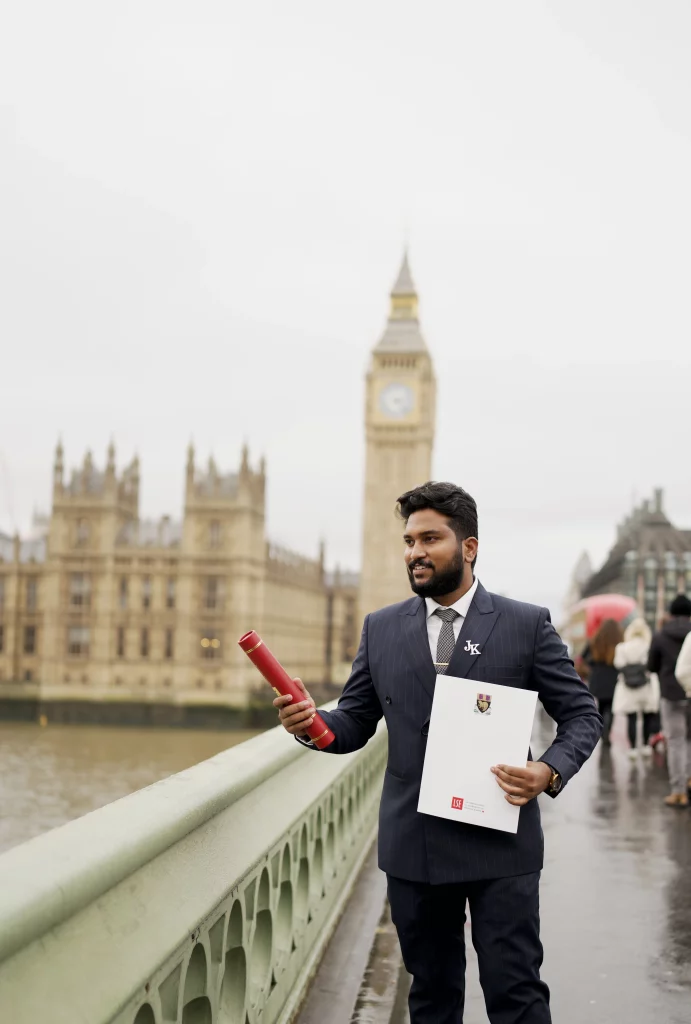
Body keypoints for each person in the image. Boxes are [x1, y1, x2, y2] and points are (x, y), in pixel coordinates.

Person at [275, 481, 602, 1024]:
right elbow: (353, 723)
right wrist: (310, 725)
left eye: (430, 538)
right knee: (430, 999)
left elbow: (583, 715)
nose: (415, 552)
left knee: (516, 995)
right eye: (408, 540)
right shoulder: (380, 628)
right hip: (415, 847)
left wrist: (547, 771)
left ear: (468, 547)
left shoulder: (525, 624)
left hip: (501, 842)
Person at [648, 594, 691, 808]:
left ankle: (679, 791)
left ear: (672, 613)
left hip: (671, 692)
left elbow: (651, 665)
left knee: (675, 741)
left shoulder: (661, 634)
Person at [612, 618, 659, 759]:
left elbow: (618, 664)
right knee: (647, 716)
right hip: (646, 685)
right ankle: (645, 745)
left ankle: (632, 748)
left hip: (627, 687)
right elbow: (651, 665)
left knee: (631, 718)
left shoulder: (621, 647)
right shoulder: (648, 646)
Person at [581, 618, 624, 745]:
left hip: (598, 679)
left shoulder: (594, 640)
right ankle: (606, 734)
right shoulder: (619, 642)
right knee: (611, 709)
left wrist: (593, 663)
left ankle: (599, 730)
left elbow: (584, 658)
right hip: (613, 679)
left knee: (600, 707)